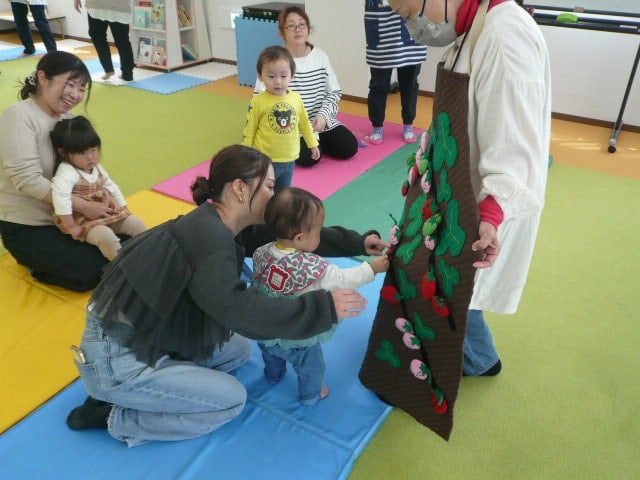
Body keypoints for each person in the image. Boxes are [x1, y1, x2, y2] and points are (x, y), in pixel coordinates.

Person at [64, 144, 390, 446]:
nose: (275, 196)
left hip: (148, 335)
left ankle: (148, 385)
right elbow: (238, 310)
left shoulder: (220, 221)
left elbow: (294, 234)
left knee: (237, 351)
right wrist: (321, 308)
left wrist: (357, 243)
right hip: (115, 356)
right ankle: (116, 415)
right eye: (269, 186)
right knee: (230, 402)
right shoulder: (208, 238)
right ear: (239, 189)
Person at [388, 0, 551, 376]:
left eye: (409, 12)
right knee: (446, 279)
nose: (413, 26)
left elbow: (514, 142)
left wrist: (491, 213)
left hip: (482, 201)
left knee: (459, 286)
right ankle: (469, 351)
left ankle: (479, 360)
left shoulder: (504, 36)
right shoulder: (475, 29)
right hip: (458, 188)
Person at [252, 187, 389, 405]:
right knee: (310, 368)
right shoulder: (310, 267)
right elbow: (343, 279)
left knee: (271, 355)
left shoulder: (261, 252)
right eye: (317, 232)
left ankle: (273, 375)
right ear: (299, 237)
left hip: (266, 329)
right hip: (297, 337)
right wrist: (372, 269)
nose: (320, 236)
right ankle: (311, 395)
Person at [0, 51, 118, 292]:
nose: (75, 94)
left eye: (82, 88)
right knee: (93, 270)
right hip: (28, 225)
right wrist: (85, 206)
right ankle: (36, 265)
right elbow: (27, 179)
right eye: (70, 84)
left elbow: (88, 165)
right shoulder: (18, 116)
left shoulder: (69, 120)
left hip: (69, 218)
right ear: (43, 78)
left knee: (126, 242)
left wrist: (106, 196)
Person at [254, 6, 358, 167]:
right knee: (309, 158)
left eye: (302, 24)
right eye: (291, 26)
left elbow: (334, 92)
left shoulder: (320, 56)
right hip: (290, 127)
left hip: (320, 122)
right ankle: (307, 144)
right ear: (282, 33)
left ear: (309, 29)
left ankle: (317, 140)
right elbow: (260, 99)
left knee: (349, 147)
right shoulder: (275, 60)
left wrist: (323, 116)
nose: (298, 29)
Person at [50, 116, 146, 260]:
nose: (90, 157)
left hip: (106, 213)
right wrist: (71, 227)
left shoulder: (97, 167)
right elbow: (60, 198)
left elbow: (111, 186)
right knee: (106, 237)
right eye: (82, 153)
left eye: (94, 150)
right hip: (83, 221)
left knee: (136, 223)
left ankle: (148, 256)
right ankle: (121, 266)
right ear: (64, 153)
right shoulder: (67, 171)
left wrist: (123, 208)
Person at [242, 46, 319, 193]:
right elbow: (250, 128)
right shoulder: (258, 101)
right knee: (262, 193)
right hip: (264, 160)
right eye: (271, 76)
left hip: (289, 158)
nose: (278, 82)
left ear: (292, 76)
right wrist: (246, 152)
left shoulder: (296, 99)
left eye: (283, 76)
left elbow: (304, 124)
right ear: (260, 76)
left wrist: (312, 144)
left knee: (283, 193)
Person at [364, 0, 427, 145]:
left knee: (409, 85)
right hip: (380, 28)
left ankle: (408, 124)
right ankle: (377, 126)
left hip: (411, 31)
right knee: (378, 85)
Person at [73, 0, 135, 82]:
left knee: (118, 40)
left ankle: (114, 70)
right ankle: (124, 73)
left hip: (106, 6)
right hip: (102, 6)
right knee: (120, 40)